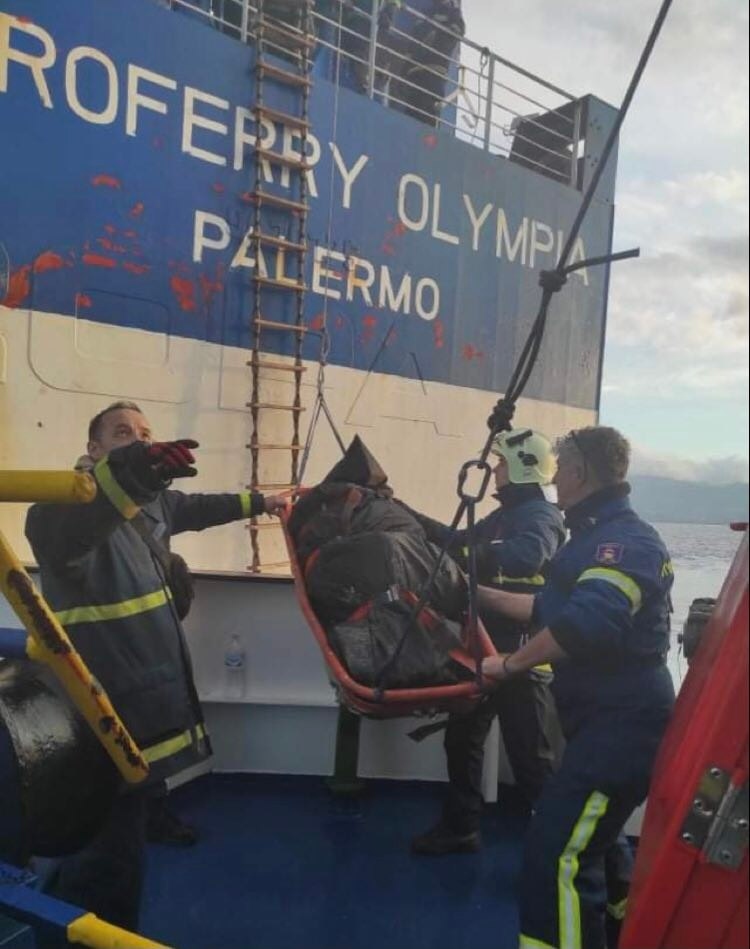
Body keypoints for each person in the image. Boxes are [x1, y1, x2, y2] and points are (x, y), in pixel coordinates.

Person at [25, 400, 285, 932]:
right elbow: (80, 523)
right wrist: (132, 472)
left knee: (120, 840)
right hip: (97, 712)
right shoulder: (59, 509)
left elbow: (196, 507)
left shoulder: (150, 504)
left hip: (139, 704)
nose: (141, 441)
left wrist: (266, 500)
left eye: (146, 433)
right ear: (93, 449)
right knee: (106, 862)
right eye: (124, 434)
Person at [480, 426, 675, 949]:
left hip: (623, 729)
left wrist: (509, 665)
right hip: (596, 728)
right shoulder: (588, 538)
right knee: (595, 842)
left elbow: (588, 625)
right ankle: (627, 925)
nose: (554, 478)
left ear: (580, 472)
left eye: (560, 468)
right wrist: (474, 593)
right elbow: (547, 610)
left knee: (558, 854)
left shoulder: (626, 542)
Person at [408, 429, 566, 855]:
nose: (494, 470)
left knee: (531, 762)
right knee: (462, 741)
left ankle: (563, 851)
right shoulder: (503, 517)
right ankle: (461, 827)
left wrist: (471, 558)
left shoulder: (539, 516)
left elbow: (526, 556)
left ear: (520, 467)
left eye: (500, 464)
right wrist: (408, 517)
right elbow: (460, 542)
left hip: (520, 658)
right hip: (482, 650)